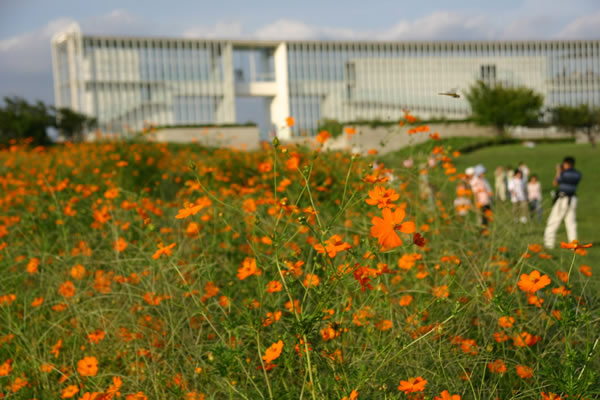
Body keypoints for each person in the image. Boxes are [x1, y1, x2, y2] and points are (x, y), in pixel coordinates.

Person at [544, 156, 582, 248]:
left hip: (563, 199)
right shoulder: (577, 174)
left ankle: (549, 244)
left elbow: (555, 183)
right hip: (572, 199)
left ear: (567, 164)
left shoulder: (563, 173)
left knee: (553, 221)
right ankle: (574, 245)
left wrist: (559, 171)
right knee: (571, 223)